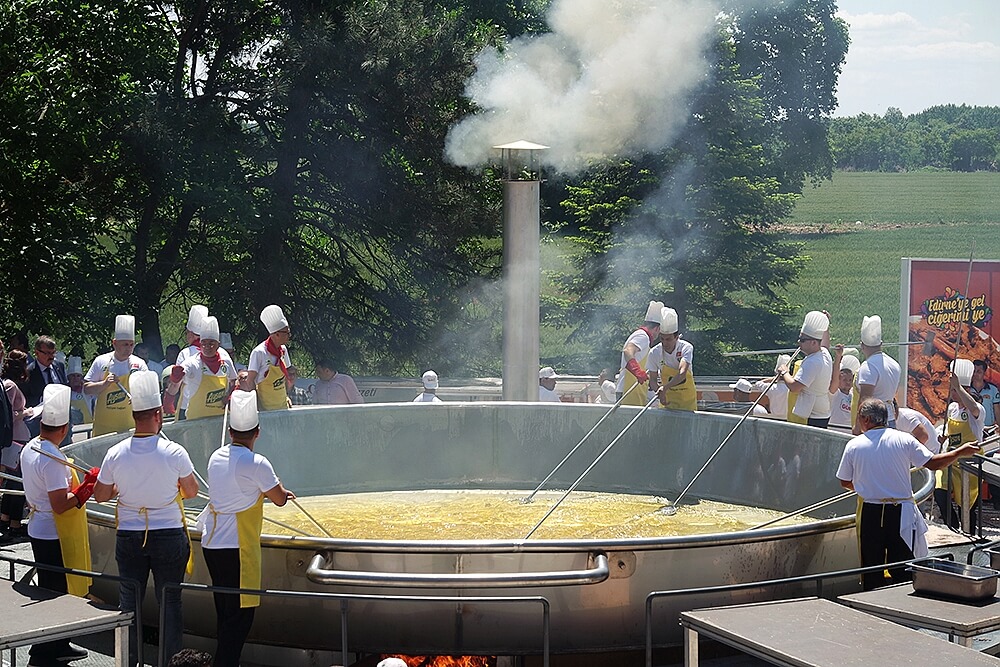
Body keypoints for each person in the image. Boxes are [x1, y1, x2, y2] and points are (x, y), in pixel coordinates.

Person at [93, 371, 200, 666]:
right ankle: (171, 662)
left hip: (129, 534)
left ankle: (128, 660)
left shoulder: (115, 454)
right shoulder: (174, 452)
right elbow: (191, 492)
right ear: (157, 415)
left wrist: (121, 486)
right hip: (168, 534)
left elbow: (100, 495)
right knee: (171, 602)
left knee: (129, 602)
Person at [837, 398, 978, 591]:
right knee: (903, 566)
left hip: (871, 511)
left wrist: (867, 487)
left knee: (872, 566)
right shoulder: (904, 439)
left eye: (860, 417)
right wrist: (959, 452)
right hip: (900, 511)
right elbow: (933, 463)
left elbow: (844, 481)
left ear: (867, 419)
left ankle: (870, 604)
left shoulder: (854, 445)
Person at [200, 390, 294, 667]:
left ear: (230, 432)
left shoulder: (216, 456)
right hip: (236, 546)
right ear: (258, 433)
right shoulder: (257, 463)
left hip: (212, 542)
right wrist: (281, 493)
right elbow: (278, 499)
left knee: (225, 611)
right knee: (240, 617)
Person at [19, 383, 95, 665]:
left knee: (52, 589)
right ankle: (45, 650)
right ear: (64, 429)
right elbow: (60, 504)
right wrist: (84, 491)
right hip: (53, 531)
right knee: (56, 594)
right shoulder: (53, 459)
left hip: (39, 525)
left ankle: (59, 642)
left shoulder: (31, 447)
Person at [934, 359, 986, 534]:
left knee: (967, 506)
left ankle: (969, 535)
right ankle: (953, 527)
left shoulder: (977, 409)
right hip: (951, 459)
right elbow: (950, 433)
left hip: (969, 464)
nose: (952, 393)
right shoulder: (951, 409)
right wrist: (943, 437)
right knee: (940, 493)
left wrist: (959, 387)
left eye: (954, 390)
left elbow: (973, 409)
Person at [83, 315, 148, 437]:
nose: (128, 349)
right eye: (125, 345)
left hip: (130, 426)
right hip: (104, 428)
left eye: (131, 345)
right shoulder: (101, 361)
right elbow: (86, 389)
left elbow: (147, 390)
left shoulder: (139, 364)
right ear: (114, 343)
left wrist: (139, 396)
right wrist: (104, 384)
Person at [165, 317, 237, 420]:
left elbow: (233, 380)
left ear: (218, 345)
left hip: (220, 419)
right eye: (204, 344)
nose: (207, 347)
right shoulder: (192, 363)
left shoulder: (225, 361)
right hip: (195, 420)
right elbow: (176, 384)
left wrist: (231, 395)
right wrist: (169, 398)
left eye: (211, 344)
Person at [777, 310, 833, 428]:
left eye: (802, 340)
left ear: (813, 342)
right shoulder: (824, 353)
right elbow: (825, 344)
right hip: (822, 411)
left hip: (811, 415)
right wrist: (825, 327)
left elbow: (794, 387)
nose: (799, 342)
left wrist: (784, 372)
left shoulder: (812, 362)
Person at [1, 349, 32, 543]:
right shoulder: (10, 386)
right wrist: (27, 412)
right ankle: (14, 523)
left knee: (13, 481)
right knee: (18, 482)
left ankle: (5, 519)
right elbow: (9, 416)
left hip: (16, 439)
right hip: (17, 439)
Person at [853, 315, 901, 434]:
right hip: (889, 417)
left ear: (862, 345)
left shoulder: (868, 366)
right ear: (881, 344)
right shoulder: (894, 364)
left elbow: (864, 399)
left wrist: (858, 427)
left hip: (872, 422)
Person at [240, 305, 292, 411]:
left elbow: (285, 376)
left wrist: (286, 396)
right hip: (266, 409)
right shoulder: (259, 352)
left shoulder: (283, 350)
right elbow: (250, 381)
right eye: (286, 333)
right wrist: (257, 407)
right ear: (276, 334)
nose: (289, 335)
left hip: (283, 407)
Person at [616, 301, 664, 406]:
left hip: (634, 391)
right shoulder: (643, 336)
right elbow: (628, 351)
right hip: (627, 391)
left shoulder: (643, 338)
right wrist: (637, 372)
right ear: (657, 328)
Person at [648, 307, 696, 412]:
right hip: (667, 402)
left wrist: (665, 387)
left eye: (669, 339)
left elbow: (682, 372)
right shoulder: (654, 353)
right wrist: (659, 392)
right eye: (662, 339)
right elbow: (652, 379)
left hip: (687, 402)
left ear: (677, 337)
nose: (665, 343)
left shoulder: (686, 348)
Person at [20, 335, 68, 438]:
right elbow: (24, 398)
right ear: (37, 353)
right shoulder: (29, 372)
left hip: (61, 421)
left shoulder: (59, 366)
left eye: (53, 352)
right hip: (39, 424)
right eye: (47, 353)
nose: (51, 357)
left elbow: (65, 387)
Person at [828, 346, 860, 429]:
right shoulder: (835, 393)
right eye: (844, 379)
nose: (848, 382)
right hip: (835, 429)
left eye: (850, 380)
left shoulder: (853, 395)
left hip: (849, 430)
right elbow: (834, 378)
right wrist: (838, 357)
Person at [752, 354, 791, 419]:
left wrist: (773, 378)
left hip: (774, 418)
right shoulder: (792, 389)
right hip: (788, 418)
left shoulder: (772, 388)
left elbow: (758, 384)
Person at [971, 359, 999, 428]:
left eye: (979, 372)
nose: (975, 374)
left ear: (984, 373)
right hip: (971, 429)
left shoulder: (993, 389)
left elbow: (997, 410)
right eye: (973, 371)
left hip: (989, 428)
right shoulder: (966, 390)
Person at [67, 356, 94, 426]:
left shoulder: (87, 390)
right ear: (68, 378)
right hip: (73, 428)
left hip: (88, 426)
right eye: (73, 376)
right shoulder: (66, 392)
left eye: (78, 376)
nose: (75, 378)